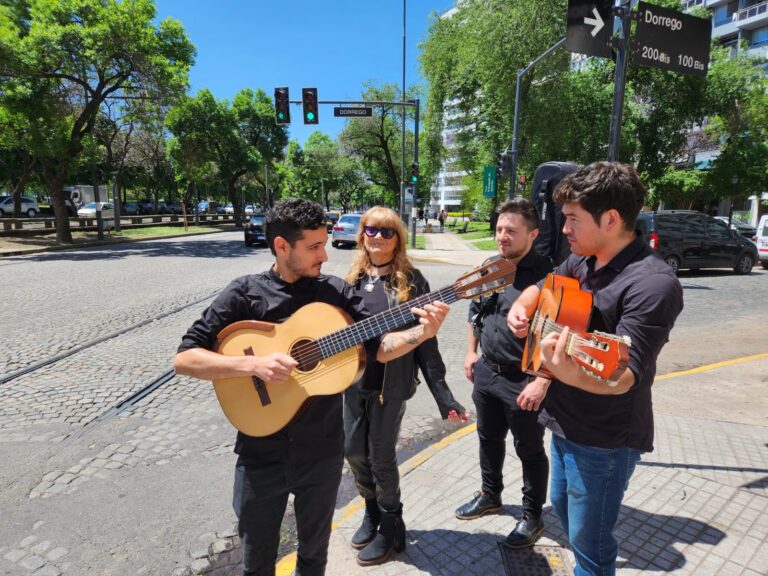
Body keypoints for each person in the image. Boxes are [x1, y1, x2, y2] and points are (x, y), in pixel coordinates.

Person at [174, 198, 450, 576]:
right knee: (257, 562)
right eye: (314, 247)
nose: (325, 254)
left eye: (325, 243)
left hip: (321, 453)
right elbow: (185, 358)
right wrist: (252, 363)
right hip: (261, 454)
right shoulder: (244, 292)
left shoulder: (334, 292)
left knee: (313, 557)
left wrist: (422, 331)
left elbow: (379, 348)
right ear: (282, 246)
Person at [507, 162, 684, 576]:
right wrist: (524, 304)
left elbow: (623, 377)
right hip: (565, 425)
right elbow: (549, 284)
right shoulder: (584, 260)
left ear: (610, 219)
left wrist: (556, 368)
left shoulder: (652, 284)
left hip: (605, 440)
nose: (564, 229)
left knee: (591, 542)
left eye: (572, 220)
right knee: (567, 517)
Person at [343, 206, 469, 566]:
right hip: (352, 382)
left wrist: (444, 397)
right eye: (371, 230)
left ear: (398, 238)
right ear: (361, 234)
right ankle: (370, 510)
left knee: (380, 457)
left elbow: (426, 343)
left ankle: (391, 525)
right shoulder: (351, 278)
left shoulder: (412, 280)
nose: (378, 238)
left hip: (390, 386)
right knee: (354, 451)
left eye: (387, 232)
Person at [454, 199, 552, 549]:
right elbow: (475, 311)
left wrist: (542, 382)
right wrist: (470, 353)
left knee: (529, 450)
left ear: (533, 234)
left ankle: (532, 516)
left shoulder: (548, 278)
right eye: (498, 229)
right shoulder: (491, 266)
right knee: (488, 439)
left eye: (511, 231)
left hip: (522, 380)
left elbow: (558, 338)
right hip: (487, 374)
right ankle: (490, 495)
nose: (502, 237)